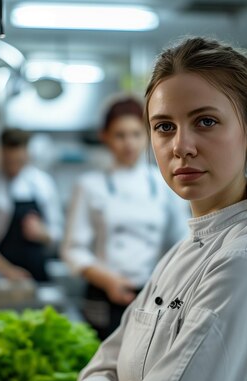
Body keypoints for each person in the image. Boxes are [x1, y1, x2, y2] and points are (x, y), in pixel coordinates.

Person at [73, 36, 247, 381]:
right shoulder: (185, 250)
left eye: (205, 121)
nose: (181, 146)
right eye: (164, 126)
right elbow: (93, 373)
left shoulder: (242, 263)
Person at [61, 97, 189, 340]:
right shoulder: (89, 185)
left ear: (148, 136)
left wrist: (165, 280)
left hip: (154, 292)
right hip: (103, 293)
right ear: (105, 137)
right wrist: (108, 280)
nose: (128, 143)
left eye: (136, 134)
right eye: (120, 135)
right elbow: (73, 249)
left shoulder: (164, 183)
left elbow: (182, 241)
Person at [0, 128, 63, 282]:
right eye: (9, 162)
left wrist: (43, 233)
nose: (13, 167)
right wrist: (7, 270)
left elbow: (58, 233)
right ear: (2, 155)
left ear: (27, 154)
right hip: (3, 276)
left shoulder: (43, 184)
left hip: (38, 273)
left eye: (18, 162)